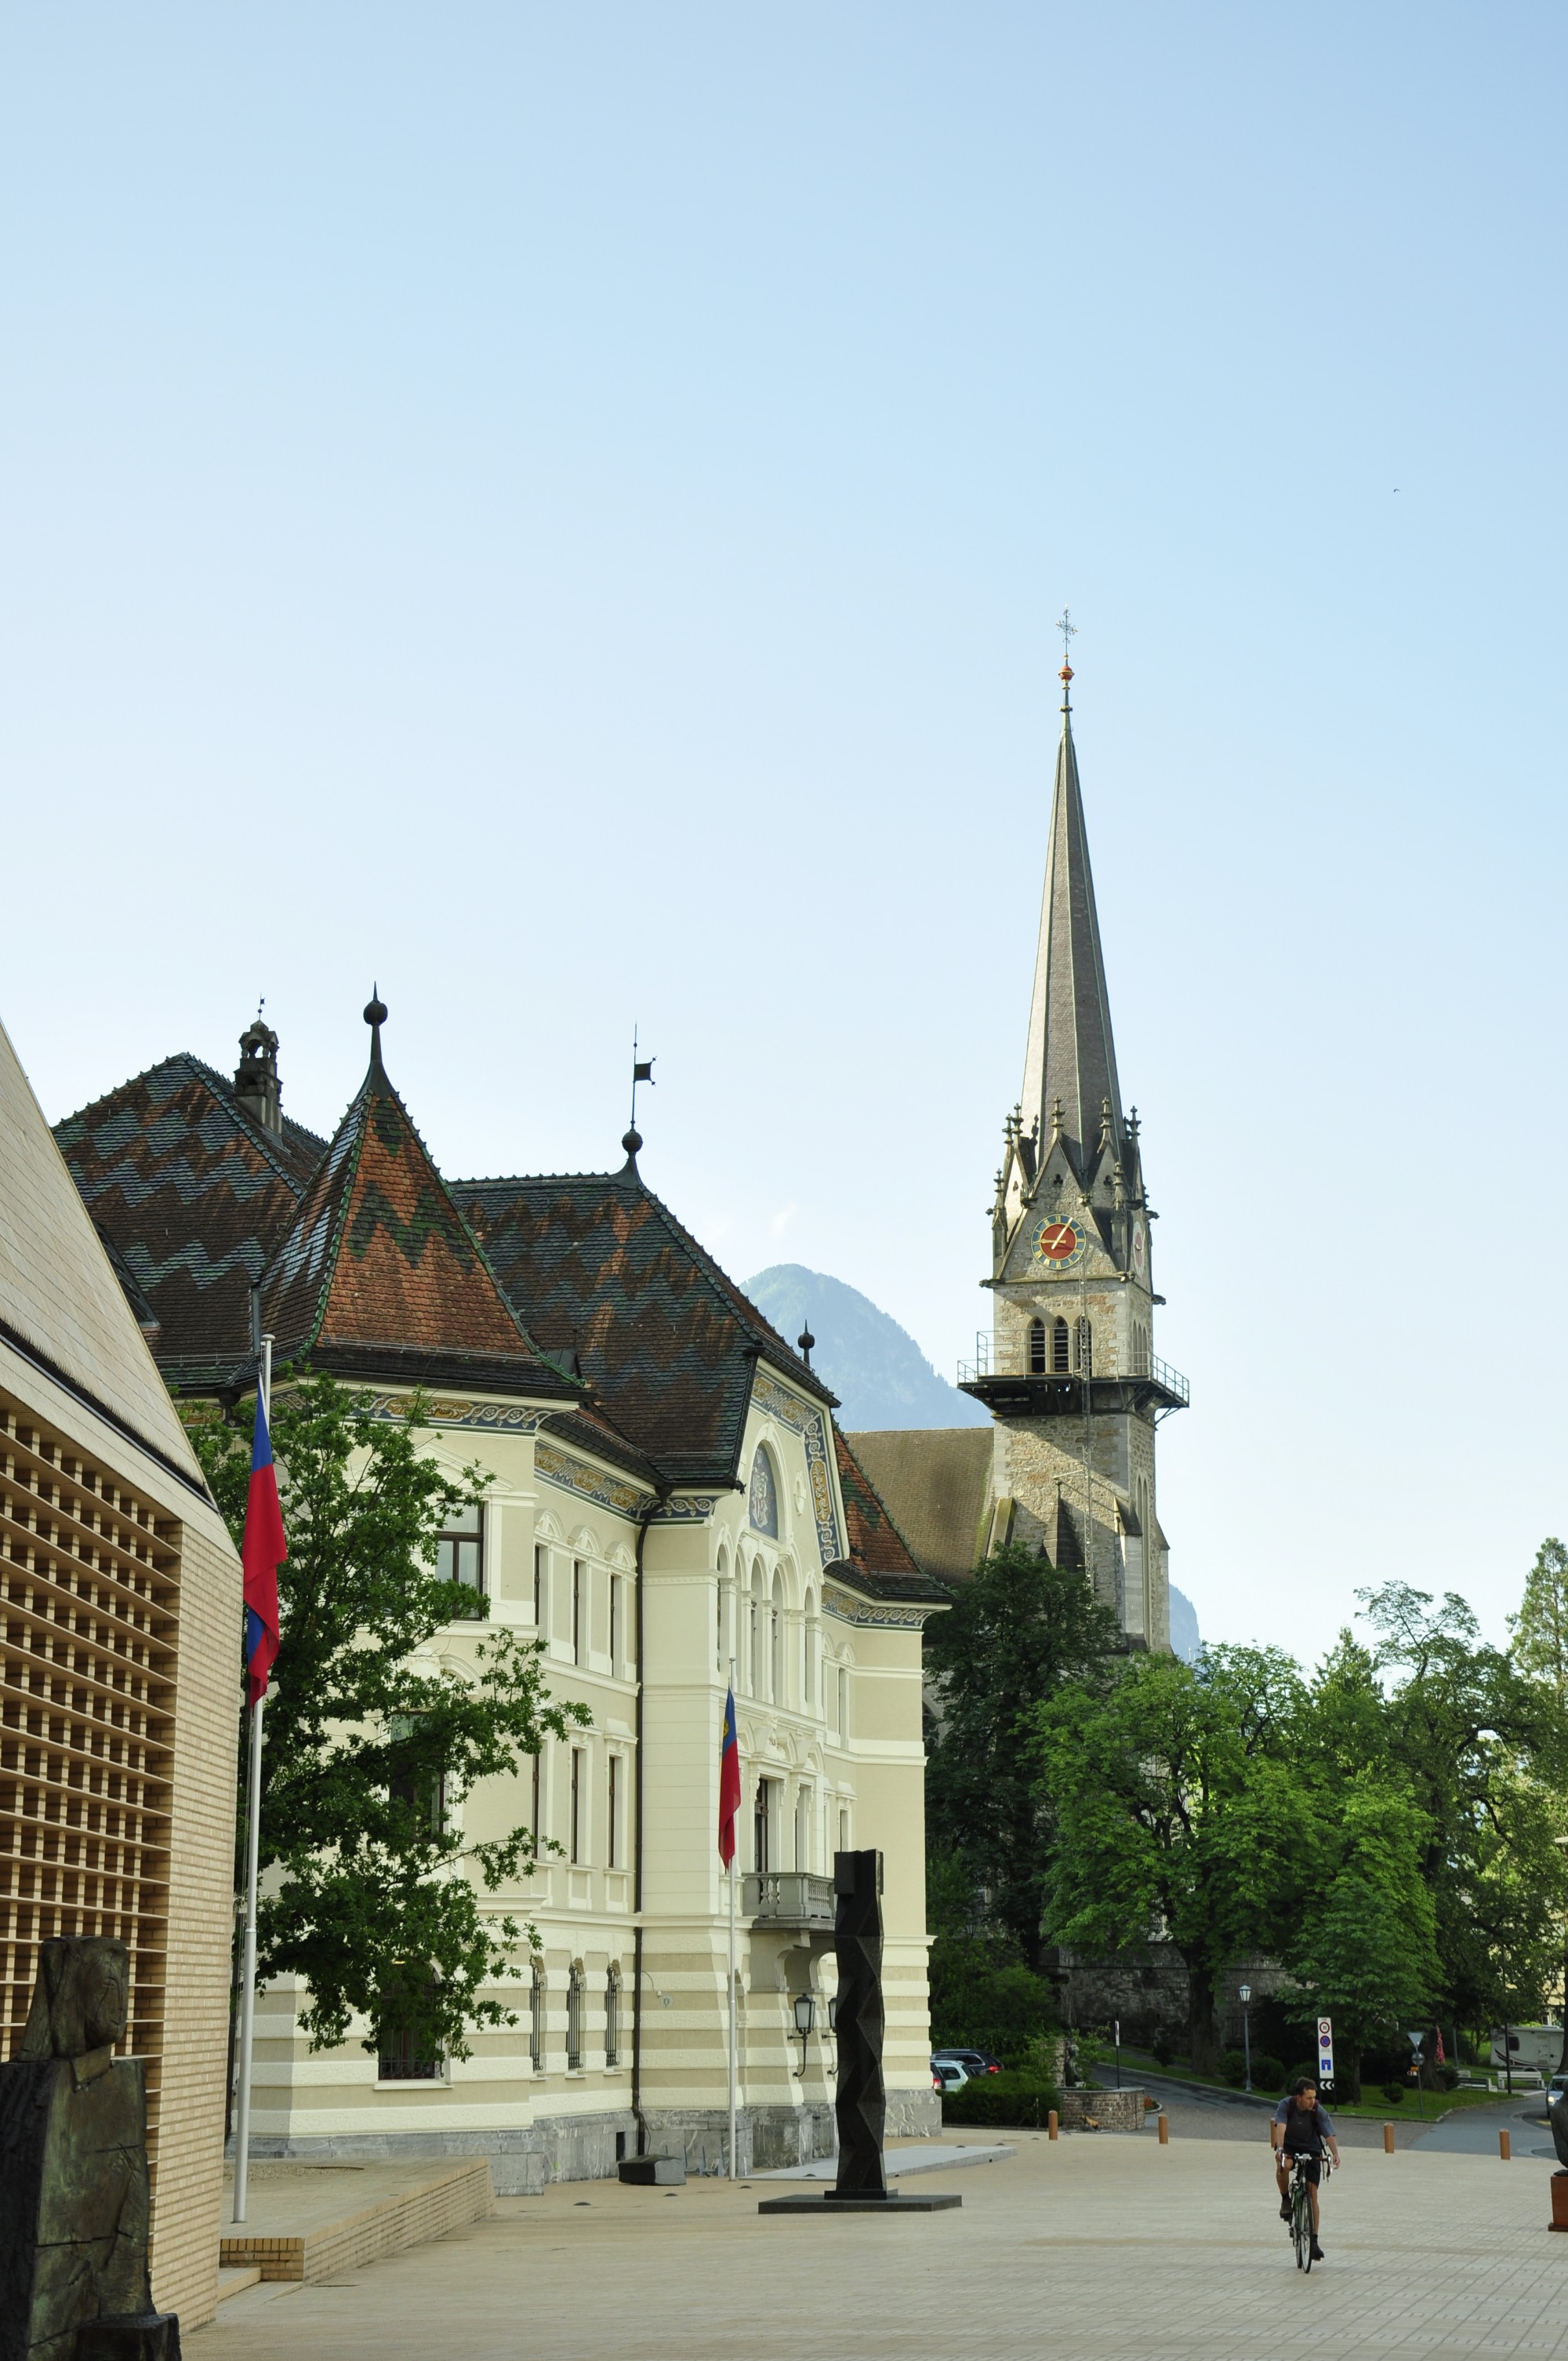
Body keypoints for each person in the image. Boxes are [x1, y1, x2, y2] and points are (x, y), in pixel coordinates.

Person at [1272, 2076, 1341, 2260]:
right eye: (1309, 2098)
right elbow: (1281, 2128)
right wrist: (1280, 2149)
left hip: (1312, 2148)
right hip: (1290, 2146)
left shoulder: (1317, 2110)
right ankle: (1286, 2199)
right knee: (1284, 2165)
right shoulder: (1286, 2106)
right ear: (1299, 2097)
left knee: (1312, 2193)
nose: (1313, 2101)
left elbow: (1329, 2135)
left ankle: (1314, 2242)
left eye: (1314, 2097)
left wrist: (1335, 2153)